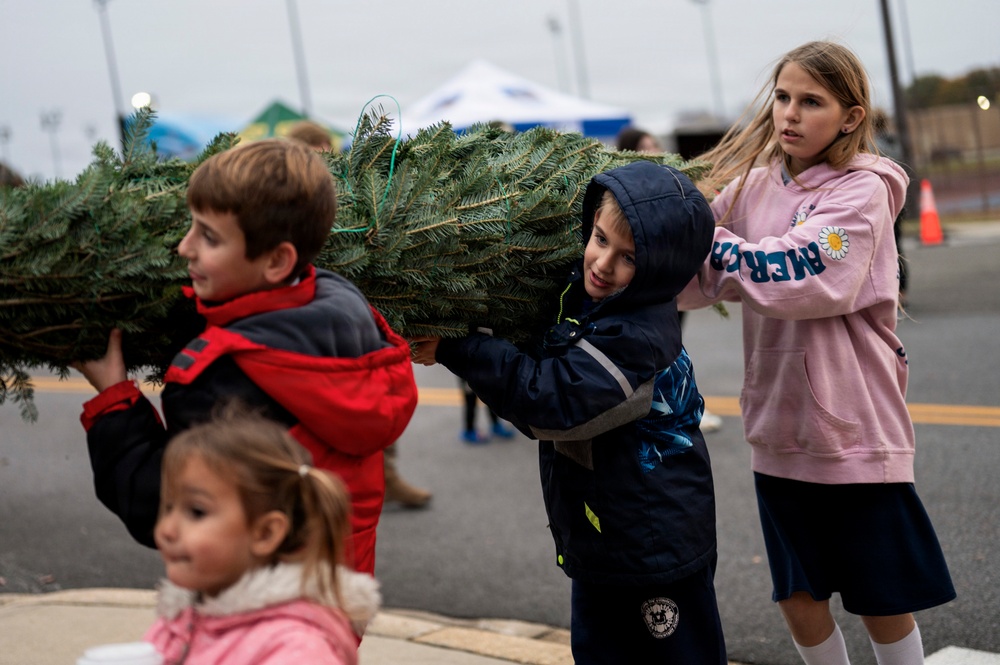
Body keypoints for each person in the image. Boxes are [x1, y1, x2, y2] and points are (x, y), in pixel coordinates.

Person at [679, 41, 955, 665]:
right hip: (778, 429)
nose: (790, 113)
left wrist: (709, 246)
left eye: (811, 101)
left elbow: (803, 275)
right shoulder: (750, 189)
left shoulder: (863, 192)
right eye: (783, 97)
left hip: (853, 431)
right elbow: (689, 275)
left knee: (880, 596)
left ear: (851, 117)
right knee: (798, 594)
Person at [413, 160, 727, 663]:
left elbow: (550, 403)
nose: (602, 263)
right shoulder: (587, 298)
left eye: (628, 257)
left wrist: (460, 349)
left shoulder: (636, 337)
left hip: (652, 549)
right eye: (600, 239)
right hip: (604, 540)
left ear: (661, 269)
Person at [74, 138, 418, 576]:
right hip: (335, 588)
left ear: (276, 261)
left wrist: (113, 400)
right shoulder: (346, 310)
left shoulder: (216, 381)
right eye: (192, 227)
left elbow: (162, 505)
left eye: (209, 237)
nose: (185, 247)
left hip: (249, 597)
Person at [145, 410, 381, 663]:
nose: (167, 528)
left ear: (265, 533)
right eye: (168, 507)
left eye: (196, 512)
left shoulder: (297, 650)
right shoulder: (183, 617)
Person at [287, 117, 432, 509]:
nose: (326, 167)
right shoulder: (290, 208)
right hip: (312, 321)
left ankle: (384, 475)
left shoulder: (349, 197)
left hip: (355, 312)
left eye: (328, 157)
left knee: (373, 396)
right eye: (316, 158)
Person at [615, 125, 724, 434]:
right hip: (649, 284)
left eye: (655, 145)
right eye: (645, 147)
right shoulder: (627, 192)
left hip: (674, 281)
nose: (654, 153)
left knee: (673, 346)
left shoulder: (671, 185)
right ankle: (659, 407)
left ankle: (682, 404)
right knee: (654, 349)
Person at [459, 377, 515, 444]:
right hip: (468, 374)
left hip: (484, 373)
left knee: (490, 397)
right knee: (471, 400)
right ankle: (469, 431)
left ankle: (496, 425)